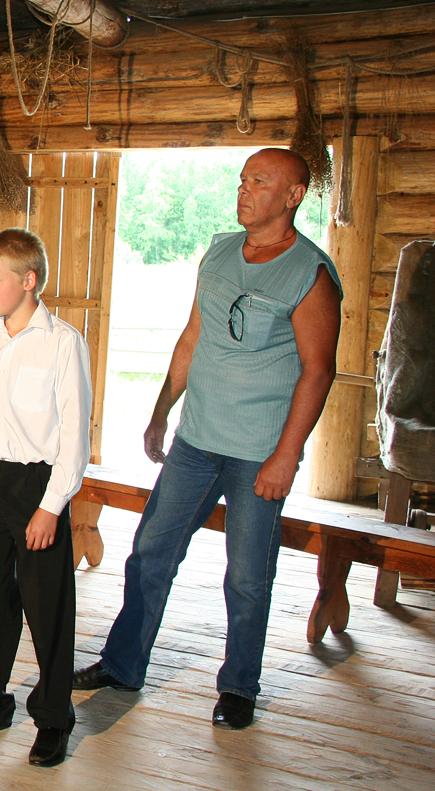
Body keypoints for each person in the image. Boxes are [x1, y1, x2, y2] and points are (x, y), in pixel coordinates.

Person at [73, 148, 342, 731]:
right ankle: (122, 665)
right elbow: (193, 337)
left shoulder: (310, 274)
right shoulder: (219, 251)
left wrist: (287, 456)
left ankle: (239, 685)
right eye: (242, 179)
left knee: (246, 576)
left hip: (259, 453)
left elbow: (318, 371)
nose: (244, 190)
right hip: (196, 442)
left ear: (294, 195)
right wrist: (159, 412)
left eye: (259, 181)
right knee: (150, 553)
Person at [0, 228, 92, 768]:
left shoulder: (63, 343)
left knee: (47, 604)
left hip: (36, 487)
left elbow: (74, 435)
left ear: (28, 281)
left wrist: (51, 506)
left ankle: (53, 718)